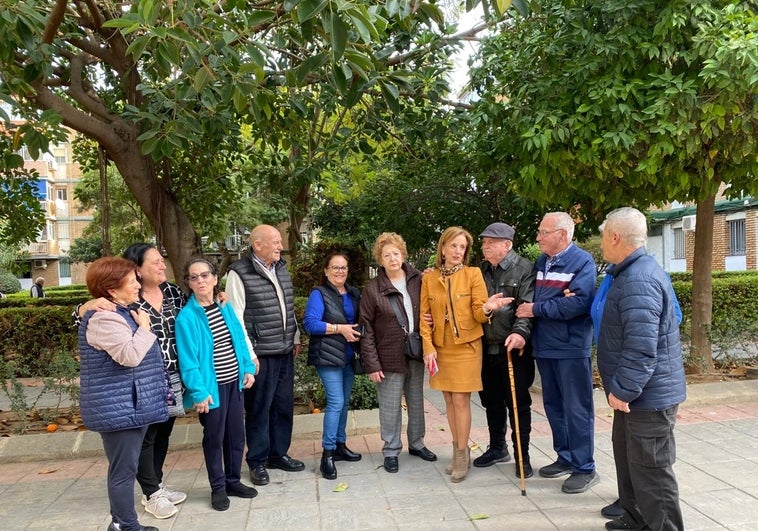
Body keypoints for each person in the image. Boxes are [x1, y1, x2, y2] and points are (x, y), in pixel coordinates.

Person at [76, 243, 188, 519]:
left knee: (162, 433)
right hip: (133, 386)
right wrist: (85, 306)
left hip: (166, 378)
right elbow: (88, 321)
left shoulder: (172, 292)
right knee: (142, 442)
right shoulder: (114, 305)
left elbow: (196, 311)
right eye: (156, 262)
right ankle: (149, 496)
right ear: (137, 270)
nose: (163, 265)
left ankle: (156, 484)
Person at [595, 208, 686, 531]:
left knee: (652, 471)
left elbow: (641, 346)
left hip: (646, 397)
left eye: (604, 235)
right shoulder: (629, 272)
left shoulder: (639, 279)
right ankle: (636, 520)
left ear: (616, 237)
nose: (602, 242)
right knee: (631, 462)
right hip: (637, 396)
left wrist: (622, 389)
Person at [420, 226, 513, 482]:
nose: (458, 251)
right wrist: (428, 347)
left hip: (467, 348)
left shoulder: (473, 274)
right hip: (442, 347)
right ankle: (457, 448)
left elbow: (477, 313)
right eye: (453, 246)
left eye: (462, 247)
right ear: (443, 248)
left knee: (461, 400)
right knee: (449, 401)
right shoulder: (429, 278)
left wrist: (487, 307)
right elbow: (424, 318)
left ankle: (462, 454)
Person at [515, 211, 598, 494]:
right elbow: (552, 301)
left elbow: (580, 304)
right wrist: (554, 301)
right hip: (545, 346)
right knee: (553, 406)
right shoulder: (542, 262)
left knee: (577, 408)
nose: (537, 237)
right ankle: (565, 456)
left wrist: (538, 309)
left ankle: (585, 467)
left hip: (571, 347)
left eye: (543, 232)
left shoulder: (583, 261)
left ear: (562, 234)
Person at [175, 257, 258, 511]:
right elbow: (188, 361)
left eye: (204, 275)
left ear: (214, 278)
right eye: (194, 277)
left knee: (236, 435)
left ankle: (233, 480)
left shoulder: (224, 306)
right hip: (211, 390)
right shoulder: (186, 318)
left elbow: (239, 340)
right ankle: (218, 487)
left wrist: (247, 367)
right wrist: (198, 392)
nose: (200, 280)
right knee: (214, 438)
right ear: (188, 282)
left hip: (235, 382)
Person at [226, 224, 305, 486]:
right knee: (259, 408)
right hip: (260, 353)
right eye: (275, 242)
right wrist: (249, 355)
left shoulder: (280, 268)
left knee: (283, 406)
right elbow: (236, 317)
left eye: (280, 241)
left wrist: (294, 336)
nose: (280, 245)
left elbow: (287, 304)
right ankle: (257, 461)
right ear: (257, 245)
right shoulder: (240, 272)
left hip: (284, 350)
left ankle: (278, 454)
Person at [359, 233, 437, 475]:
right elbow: (366, 329)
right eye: (386, 255)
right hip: (388, 356)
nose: (392, 258)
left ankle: (417, 443)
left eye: (396, 253)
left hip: (415, 351)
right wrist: (372, 364)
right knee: (390, 406)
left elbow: (433, 305)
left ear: (403, 254)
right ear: (379, 260)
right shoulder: (372, 290)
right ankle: (391, 449)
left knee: (416, 401)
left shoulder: (419, 279)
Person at [474, 223, 536, 478]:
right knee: (491, 401)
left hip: (513, 349)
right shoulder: (480, 270)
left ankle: (523, 456)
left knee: (518, 403)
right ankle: (497, 447)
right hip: (485, 347)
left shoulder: (524, 268)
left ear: (507, 244)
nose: (485, 246)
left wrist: (520, 333)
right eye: (484, 242)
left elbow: (526, 307)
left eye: (491, 242)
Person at [303, 253, 363, 479]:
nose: (340, 271)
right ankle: (327, 454)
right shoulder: (319, 294)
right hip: (327, 356)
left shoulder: (354, 293)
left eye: (343, 267)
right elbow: (310, 324)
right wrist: (340, 329)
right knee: (336, 401)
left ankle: (340, 445)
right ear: (326, 271)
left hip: (349, 356)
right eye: (335, 268)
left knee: (344, 402)